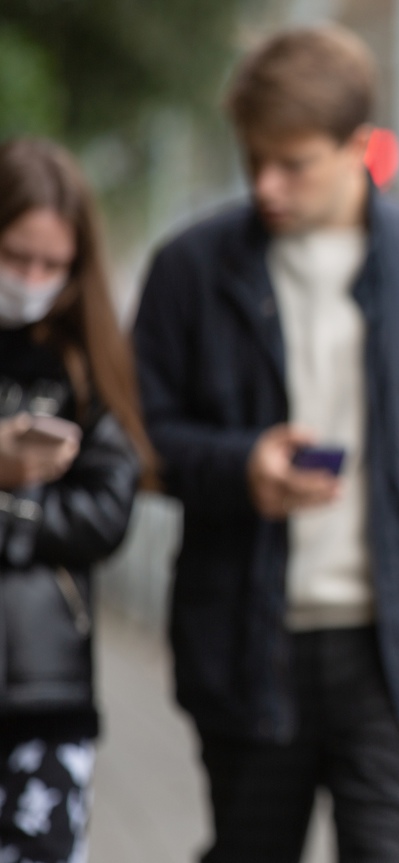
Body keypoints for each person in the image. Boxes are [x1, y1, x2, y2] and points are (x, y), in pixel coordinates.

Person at [131, 24, 399, 863]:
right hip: (245, 648)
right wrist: (240, 465)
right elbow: (139, 438)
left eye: (292, 163)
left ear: (359, 149)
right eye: (252, 158)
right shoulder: (190, 269)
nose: (266, 184)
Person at [0, 137, 148, 863]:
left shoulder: (87, 360)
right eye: (15, 255)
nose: (30, 279)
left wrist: (13, 514)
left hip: (43, 690)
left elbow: (106, 512)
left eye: (50, 265)